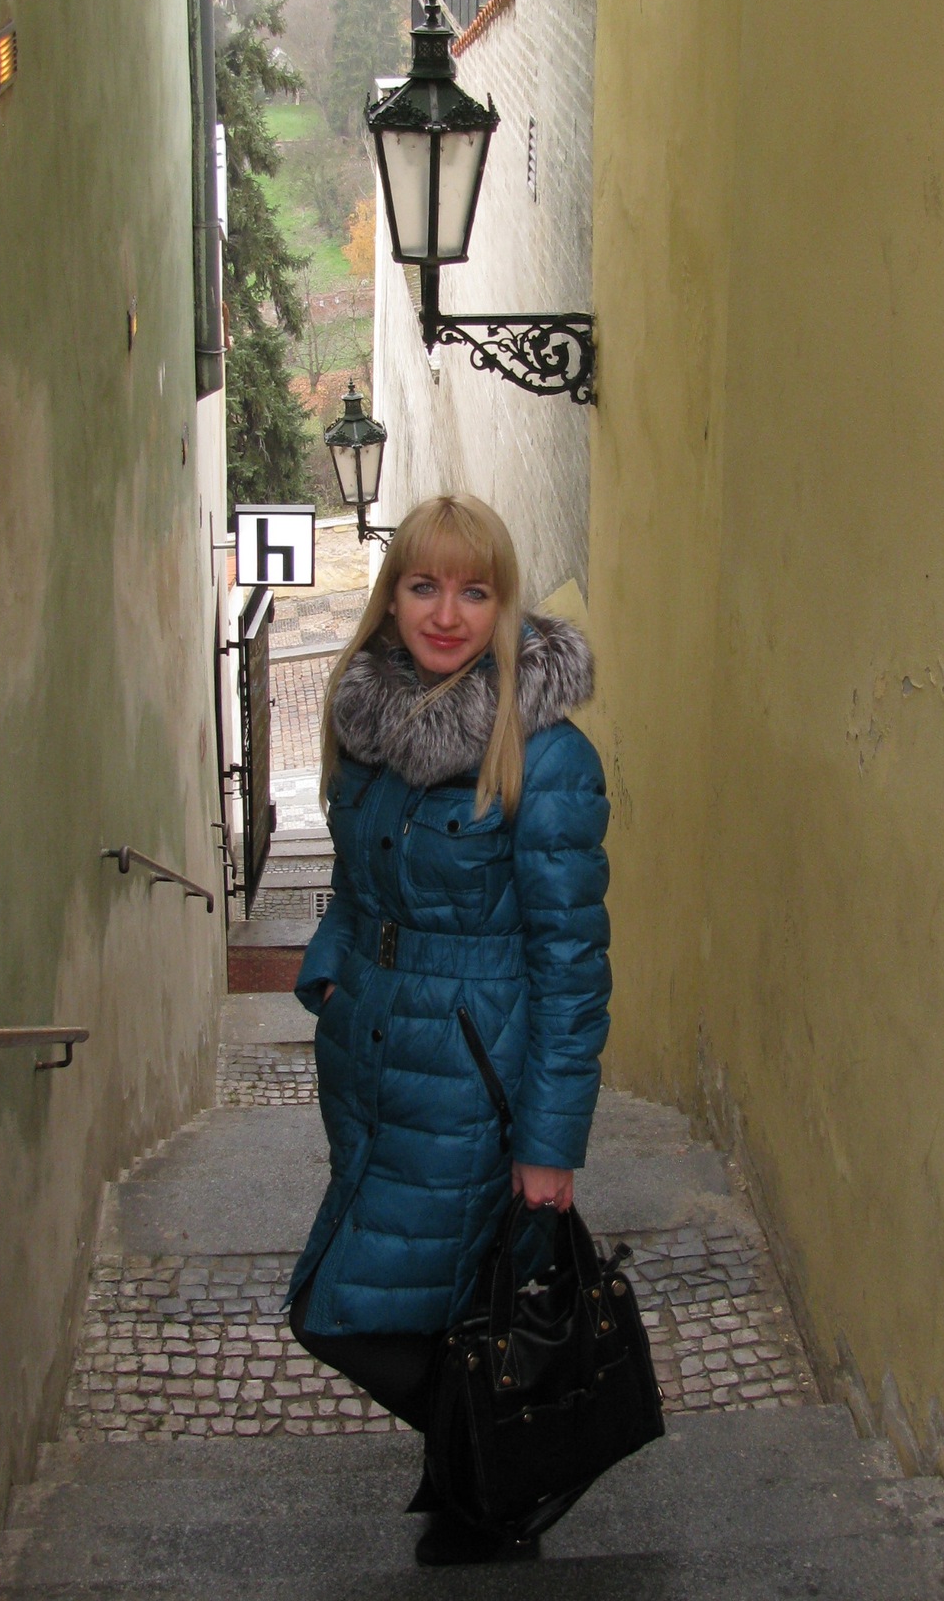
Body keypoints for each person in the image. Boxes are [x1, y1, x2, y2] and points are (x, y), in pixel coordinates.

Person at [288, 494, 611, 1565]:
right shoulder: (370, 727)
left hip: (474, 1084)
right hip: (373, 1064)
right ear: (390, 597)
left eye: (475, 591)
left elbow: (571, 968)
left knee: (335, 1309)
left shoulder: (547, 756)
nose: (445, 613)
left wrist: (549, 1145)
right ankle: (474, 1484)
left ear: (503, 605)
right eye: (423, 585)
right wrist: (332, 975)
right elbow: (353, 887)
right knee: (440, 1304)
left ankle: (512, 1465)